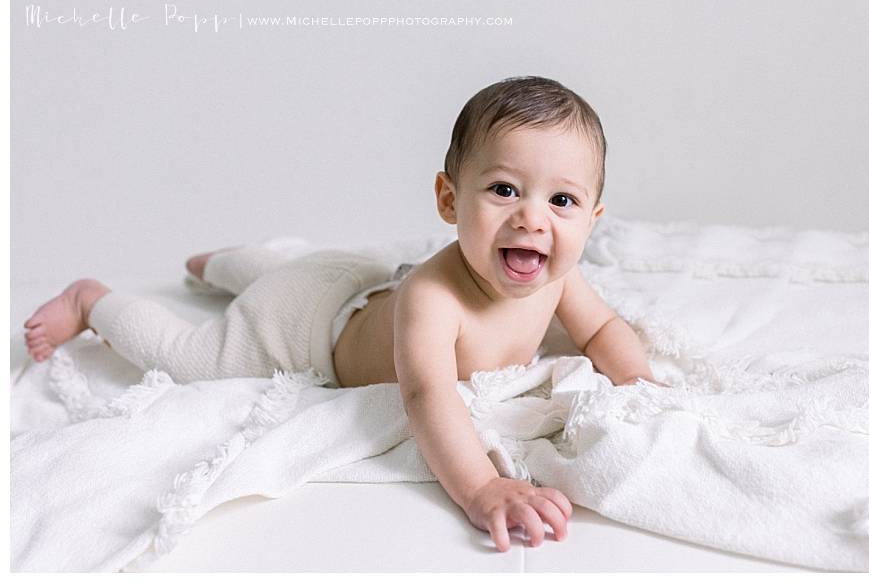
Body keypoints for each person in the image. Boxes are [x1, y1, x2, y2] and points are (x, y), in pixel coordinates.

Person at [23, 75, 659, 552]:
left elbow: (603, 329)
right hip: (305, 327)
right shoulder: (432, 297)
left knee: (286, 269)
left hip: (345, 282)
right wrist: (482, 486)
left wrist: (641, 385)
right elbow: (428, 394)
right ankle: (94, 301)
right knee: (198, 358)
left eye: (563, 200)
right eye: (503, 189)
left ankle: (222, 262)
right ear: (448, 198)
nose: (532, 218)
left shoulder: (561, 276)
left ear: (592, 220)